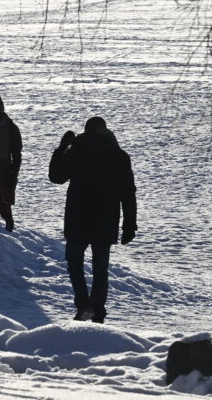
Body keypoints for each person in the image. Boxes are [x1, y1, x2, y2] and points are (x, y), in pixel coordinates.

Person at [48, 117, 137, 324]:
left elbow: (56, 176)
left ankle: (83, 305)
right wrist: (129, 225)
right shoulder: (119, 156)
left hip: (78, 218)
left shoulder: (76, 151)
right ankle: (96, 309)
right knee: (100, 269)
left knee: (74, 263)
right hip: (105, 220)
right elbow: (128, 193)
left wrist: (62, 148)